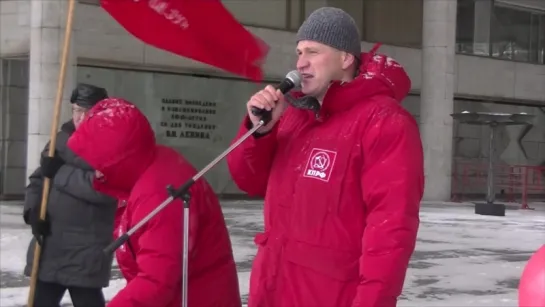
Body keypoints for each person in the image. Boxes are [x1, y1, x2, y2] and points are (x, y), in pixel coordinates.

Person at [227, 7, 425, 307]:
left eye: (313, 51)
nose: (300, 63)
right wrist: (260, 132)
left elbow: (391, 230)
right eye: (299, 52)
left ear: (345, 58)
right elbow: (249, 181)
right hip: (273, 289)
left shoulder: (384, 122)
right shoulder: (295, 116)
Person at [66, 98, 241, 307]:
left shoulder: (159, 194)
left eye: (98, 161)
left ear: (119, 159)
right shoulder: (148, 171)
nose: (95, 170)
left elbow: (156, 282)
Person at [23, 83, 117, 307]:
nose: (80, 117)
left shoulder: (111, 145)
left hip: (86, 249)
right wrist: (33, 211)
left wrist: (61, 172)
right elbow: (39, 179)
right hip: (51, 244)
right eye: (76, 110)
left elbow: (106, 190)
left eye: (87, 111)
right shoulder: (60, 139)